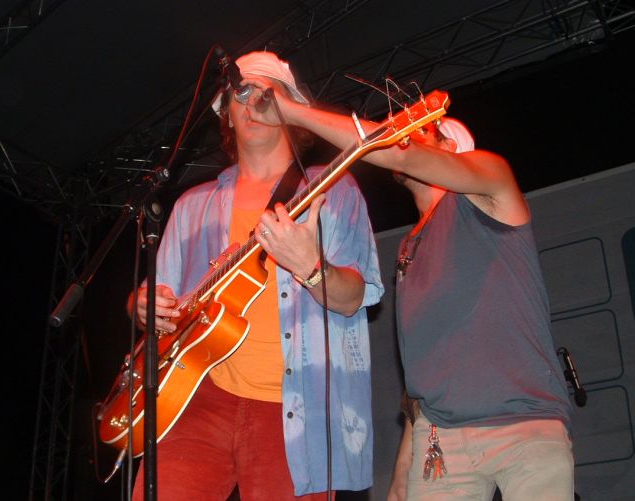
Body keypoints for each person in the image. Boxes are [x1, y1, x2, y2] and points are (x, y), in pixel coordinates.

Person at [247, 93, 574, 500]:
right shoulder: (409, 247)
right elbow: (423, 369)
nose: (404, 134)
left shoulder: (492, 184)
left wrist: (289, 110)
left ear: (450, 147)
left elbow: (398, 152)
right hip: (440, 442)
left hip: (523, 426)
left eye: (420, 131)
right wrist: (406, 460)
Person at [128, 51, 384, 500]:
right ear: (226, 114)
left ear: (292, 109)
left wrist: (312, 268)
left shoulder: (332, 189)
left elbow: (354, 298)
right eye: (240, 96)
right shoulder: (192, 205)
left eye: (268, 95)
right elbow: (152, 300)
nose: (253, 104)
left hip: (296, 407)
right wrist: (143, 306)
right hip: (195, 397)